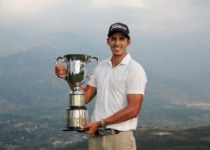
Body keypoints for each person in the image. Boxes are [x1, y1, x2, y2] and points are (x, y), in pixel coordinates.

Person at [55, 22, 147, 150]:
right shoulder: (101, 67)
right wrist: (67, 77)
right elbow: (85, 98)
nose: (117, 43)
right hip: (96, 138)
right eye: (113, 39)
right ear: (107, 41)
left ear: (128, 42)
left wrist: (101, 123)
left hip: (119, 140)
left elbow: (134, 109)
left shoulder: (135, 69)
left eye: (121, 39)